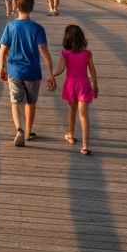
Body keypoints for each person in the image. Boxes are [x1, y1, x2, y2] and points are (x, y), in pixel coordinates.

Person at [0, 0, 56, 146]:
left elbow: (3, 50)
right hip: (33, 72)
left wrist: (1, 67)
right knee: (30, 102)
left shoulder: (10, 27)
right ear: (32, 8)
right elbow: (44, 52)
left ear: (16, 6)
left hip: (15, 70)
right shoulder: (38, 28)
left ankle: (19, 129)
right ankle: (29, 132)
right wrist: (51, 74)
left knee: (15, 101)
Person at [53, 23, 99, 155]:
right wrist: (95, 86)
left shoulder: (65, 54)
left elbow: (60, 69)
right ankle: (85, 145)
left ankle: (71, 135)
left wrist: (51, 75)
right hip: (84, 85)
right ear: (81, 38)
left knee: (71, 111)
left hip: (70, 85)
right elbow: (93, 73)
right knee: (84, 116)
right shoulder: (87, 54)